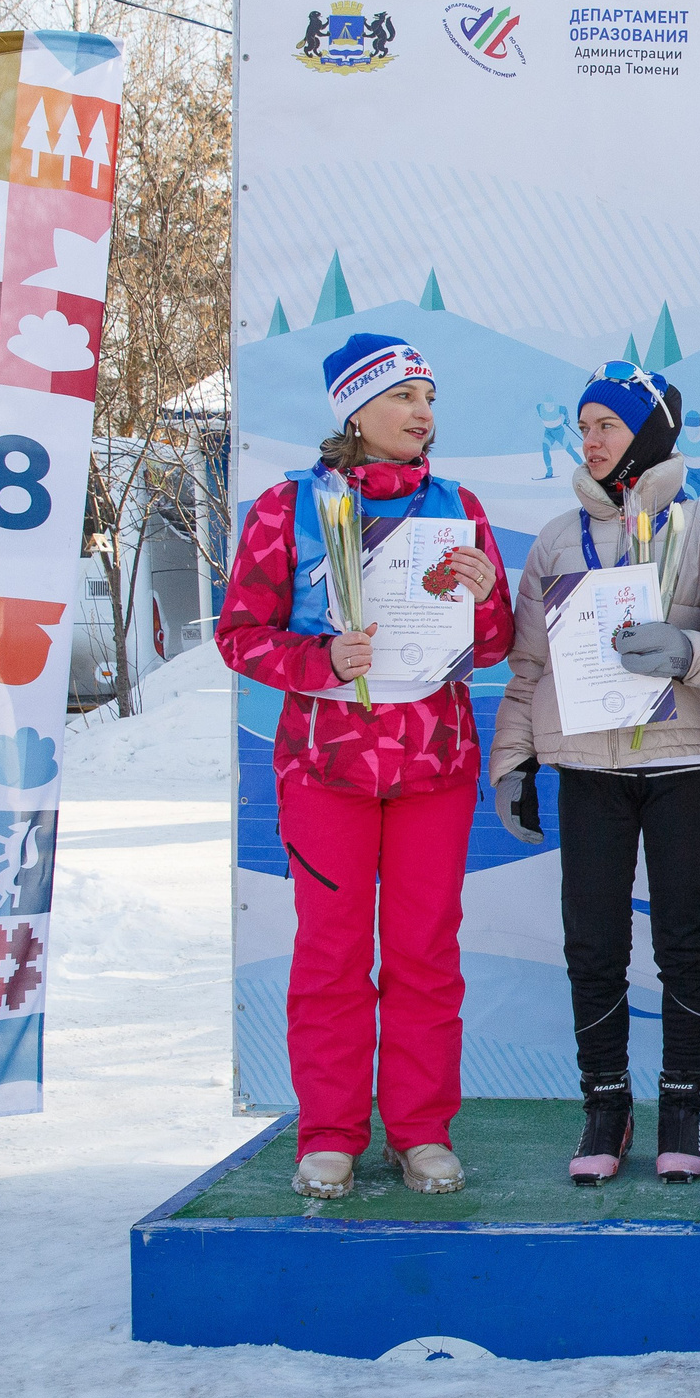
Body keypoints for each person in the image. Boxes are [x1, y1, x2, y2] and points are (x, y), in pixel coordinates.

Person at [216, 334, 514, 1198]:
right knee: (332, 954)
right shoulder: (286, 509)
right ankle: (333, 1130)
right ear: (356, 409)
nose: (423, 413)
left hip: (435, 765)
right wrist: (319, 661)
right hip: (327, 769)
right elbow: (240, 634)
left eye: (429, 397)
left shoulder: (457, 507)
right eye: (403, 397)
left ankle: (420, 1129)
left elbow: (488, 647)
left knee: (424, 952)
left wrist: (485, 597)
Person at [491, 363, 700, 1185]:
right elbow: (528, 665)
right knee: (592, 940)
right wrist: (517, 759)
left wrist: (689, 651)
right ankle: (604, 1100)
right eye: (584, 425)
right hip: (588, 763)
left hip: (686, 761)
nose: (590, 440)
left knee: (683, 935)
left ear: (654, 432)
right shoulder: (561, 538)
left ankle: (682, 1099)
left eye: (609, 424)